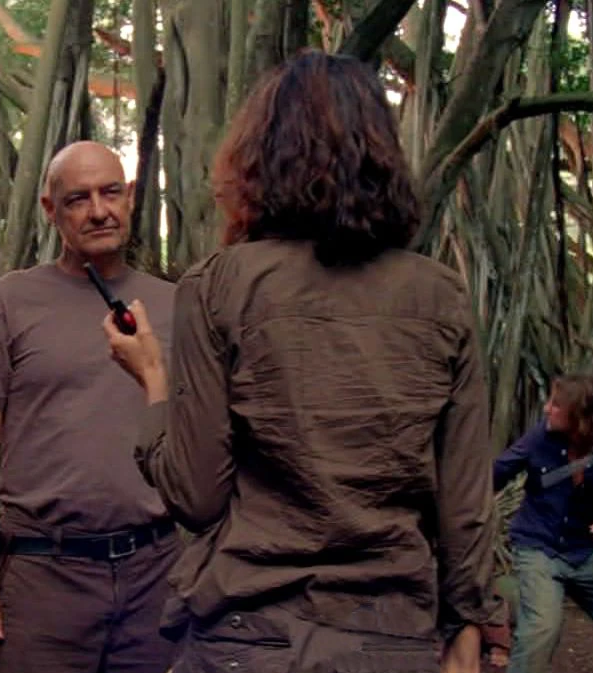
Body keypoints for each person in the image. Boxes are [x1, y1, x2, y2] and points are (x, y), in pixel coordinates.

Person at [103, 51, 503, 673]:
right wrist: (469, 622)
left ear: (258, 159)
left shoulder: (220, 284)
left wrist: (154, 381)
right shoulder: (441, 295)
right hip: (390, 634)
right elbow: (466, 499)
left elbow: (197, 497)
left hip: (249, 634)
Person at [0, 140, 182, 672]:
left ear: (131, 197)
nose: (99, 211)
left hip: (156, 572)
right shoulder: (9, 302)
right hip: (43, 575)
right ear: (50, 210)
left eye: (111, 193)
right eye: (78, 199)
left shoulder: (176, 305)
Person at [493, 374, 593, 673]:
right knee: (541, 630)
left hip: (587, 553)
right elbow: (495, 474)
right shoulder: (540, 438)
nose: (546, 408)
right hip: (538, 546)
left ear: (581, 417)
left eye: (556, 405)